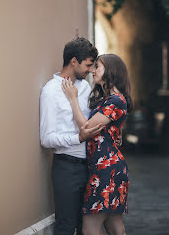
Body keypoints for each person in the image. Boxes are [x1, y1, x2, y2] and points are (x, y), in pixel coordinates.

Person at [61, 54, 133, 235]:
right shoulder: (110, 99)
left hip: (107, 170)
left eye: (97, 67)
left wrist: (73, 99)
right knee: (114, 226)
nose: (93, 71)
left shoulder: (116, 100)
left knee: (89, 228)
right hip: (107, 168)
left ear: (110, 71)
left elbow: (86, 128)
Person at [40, 37, 101, 235]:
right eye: (88, 65)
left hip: (91, 166)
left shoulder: (84, 87)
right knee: (66, 226)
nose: (91, 70)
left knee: (88, 226)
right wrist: (78, 138)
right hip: (66, 169)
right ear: (73, 61)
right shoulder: (50, 92)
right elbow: (46, 138)